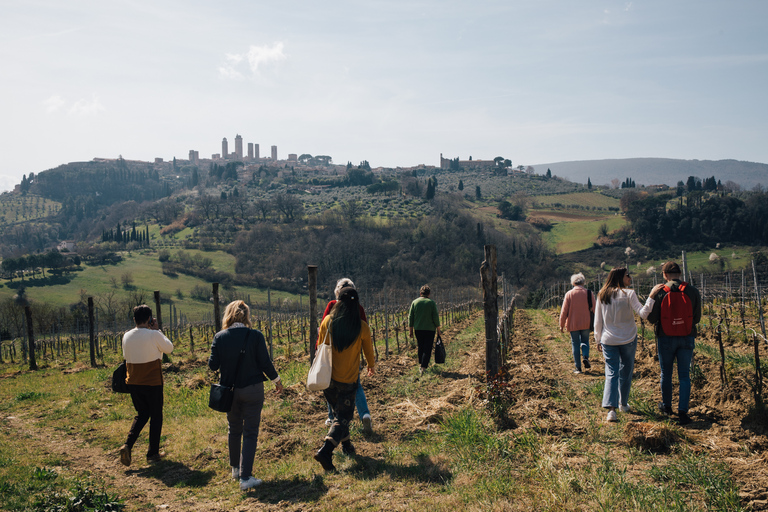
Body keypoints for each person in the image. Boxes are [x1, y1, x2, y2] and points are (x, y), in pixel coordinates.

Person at [209, 300, 284, 490]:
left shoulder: (219, 337)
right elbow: (265, 363)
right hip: (253, 389)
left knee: (233, 429)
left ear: (228, 315)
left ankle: (235, 469)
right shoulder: (255, 336)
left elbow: (213, 365)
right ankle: (246, 477)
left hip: (230, 391)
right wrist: (277, 381)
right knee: (250, 432)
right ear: (246, 316)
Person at [314, 287, 375, 472]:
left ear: (338, 303)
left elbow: (319, 346)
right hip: (348, 380)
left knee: (338, 414)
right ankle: (326, 451)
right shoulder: (362, 327)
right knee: (344, 417)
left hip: (328, 379)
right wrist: (371, 365)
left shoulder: (327, 321)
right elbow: (369, 352)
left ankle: (347, 446)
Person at [594, 268, 664, 422]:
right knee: (626, 372)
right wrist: (651, 295)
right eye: (628, 276)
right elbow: (643, 313)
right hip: (628, 339)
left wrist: (597, 339)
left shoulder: (602, 294)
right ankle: (623, 404)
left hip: (608, 340)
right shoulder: (629, 294)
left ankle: (611, 410)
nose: (630, 278)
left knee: (611, 373)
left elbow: (598, 320)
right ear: (620, 277)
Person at [646, 261, 701, 426]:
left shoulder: (660, 292)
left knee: (666, 373)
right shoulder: (692, 291)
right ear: (679, 274)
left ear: (664, 275)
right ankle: (683, 412)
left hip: (665, 337)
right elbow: (696, 319)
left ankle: (667, 407)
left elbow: (651, 318)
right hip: (686, 336)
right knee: (684, 375)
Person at [119, 305, 174, 467]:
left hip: (133, 381)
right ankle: (152, 453)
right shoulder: (154, 334)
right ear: (150, 319)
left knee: (142, 414)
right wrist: (158, 331)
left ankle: (128, 445)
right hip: (152, 381)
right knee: (156, 415)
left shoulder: (126, 336)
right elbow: (169, 348)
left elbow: (125, 356)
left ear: (134, 319)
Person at [321, 278, 373, 434]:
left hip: (333, 359)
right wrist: (371, 363)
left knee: (331, 387)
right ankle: (364, 414)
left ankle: (333, 419)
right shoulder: (359, 310)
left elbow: (322, 337)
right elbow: (365, 335)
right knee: (355, 387)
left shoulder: (331, 310)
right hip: (352, 358)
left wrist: (319, 356)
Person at [559, 272, 595, 374]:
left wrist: (561, 325)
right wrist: (598, 323)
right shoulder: (589, 293)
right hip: (586, 322)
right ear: (583, 282)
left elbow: (564, 311)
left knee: (575, 343)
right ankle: (585, 356)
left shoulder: (569, 294)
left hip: (573, 323)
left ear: (573, 282)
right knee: (585, 341)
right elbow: (595, 309)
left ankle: (578, 368)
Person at [408, 285, 442, 376]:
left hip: (418, 329)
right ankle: (423, 367)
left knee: (421, 346)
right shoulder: (431, 303)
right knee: (427, 348)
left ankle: (421, 363)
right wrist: (439, 330)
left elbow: (411, 317)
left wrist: (410, 330)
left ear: (420, 293)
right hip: (430, 329)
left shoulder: (414, 302)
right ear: (429, 294)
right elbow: (435, 317)